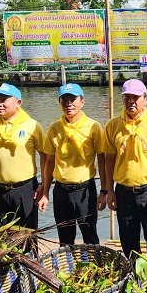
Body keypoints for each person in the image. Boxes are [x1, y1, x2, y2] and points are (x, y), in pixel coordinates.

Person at [103, 79, 147, 259]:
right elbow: (109, 161)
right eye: (127, 97)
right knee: (128, 240)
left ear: (145, 99)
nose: (131, 101)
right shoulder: (113, 125)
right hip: (124, 192)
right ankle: (134, 278)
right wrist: (109, 191)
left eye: (136, 97)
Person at [42, 83, 107, 245]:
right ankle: (68, 267)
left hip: (84, 190)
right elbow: (49, 161)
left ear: (82, 102)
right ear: (59, 102)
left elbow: (102, 160)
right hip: (61, 190)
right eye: (64, 100)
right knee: (64, 236)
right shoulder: (53, 128)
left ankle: (95, 266)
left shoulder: (93, 127)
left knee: (90, 234)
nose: (69, 104)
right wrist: (45, 192)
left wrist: (104, 191)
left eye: (73, 100)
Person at [0, 83, 46, 230]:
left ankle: (29, 254)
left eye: (4, 100)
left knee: (28, 235)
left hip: (25, 189)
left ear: (18, 103)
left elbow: (45, 157)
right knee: (5, 236)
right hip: (0, 190)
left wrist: (44, 185)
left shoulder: (33, 126)